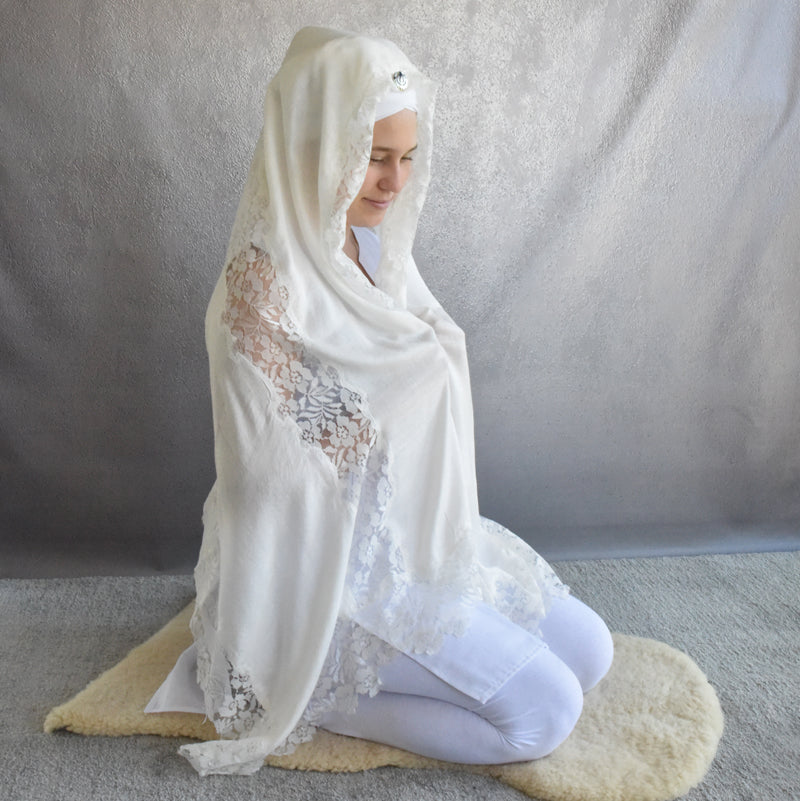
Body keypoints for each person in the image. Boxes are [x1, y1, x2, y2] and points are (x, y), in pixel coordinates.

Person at [145, 27, 613, 776]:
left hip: (407, 536)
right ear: (312, 144)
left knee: (592, 651)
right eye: (374, 157)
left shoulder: (365, 244)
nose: (393, 184)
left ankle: (368, 674)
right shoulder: (258, 295)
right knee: (544, 712)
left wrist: (400, 392)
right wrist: (385, 402)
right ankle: (295, 691)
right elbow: (276, 473)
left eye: (406, 159)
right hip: (323, 575)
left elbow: (412, 370)